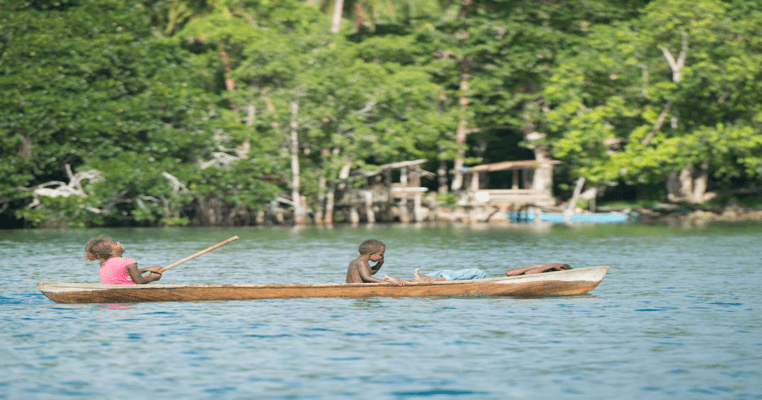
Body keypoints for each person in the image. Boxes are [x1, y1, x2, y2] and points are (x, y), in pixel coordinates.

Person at [84, 237, 163, 284]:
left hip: (110, 289)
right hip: (126, 290)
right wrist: (153, 278)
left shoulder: (103, 262)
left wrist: (147, 269)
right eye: (115, 244)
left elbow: (122, 272)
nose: (119, 242)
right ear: (111, 252)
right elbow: (139, 281)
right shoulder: (129, 262)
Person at [412, 268, 488, 282]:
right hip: (479, 275)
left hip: (479, 276)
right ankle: (428, 279)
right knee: (446, 274)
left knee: (448, 274)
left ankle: (428, 279)